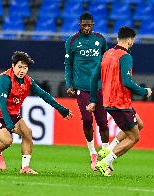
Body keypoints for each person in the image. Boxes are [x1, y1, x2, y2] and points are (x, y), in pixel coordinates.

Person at [0, 51, 73, 175]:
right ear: (13, 66)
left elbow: (44, 95)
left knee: (28, 133)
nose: (22, 70)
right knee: (8, 141)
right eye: (19, 67)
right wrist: (9, 124)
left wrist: (61, 109)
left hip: (12, 113)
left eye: (25, 68)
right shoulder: (5, 79)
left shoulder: (27, 81)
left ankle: (25, 168)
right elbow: (2, 104)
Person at [86, 26, 152, 176]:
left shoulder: (107, 54)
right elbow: (127, 81)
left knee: (139, 124)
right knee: (134, 137)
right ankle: (105, 162)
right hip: (120, 103)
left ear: (117, 39)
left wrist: (93, 100)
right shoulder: (125, 56)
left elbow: (93, 77)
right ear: (130, 40)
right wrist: (144, 91)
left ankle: (108, 149)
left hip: (109, 102)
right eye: (133, 41)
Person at [64, 12, 109, 171]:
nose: (87, 28)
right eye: (84, 25)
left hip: (99, 88)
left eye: (89, 25)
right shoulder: (72, 41)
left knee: (103, 122)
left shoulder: (100, 40)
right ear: (79, 25)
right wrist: (69, 83)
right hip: (81, 88)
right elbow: (68, 64)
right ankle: (92, 153)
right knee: (88, 120)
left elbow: (106, 62)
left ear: (93, 25)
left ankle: (106, 153)